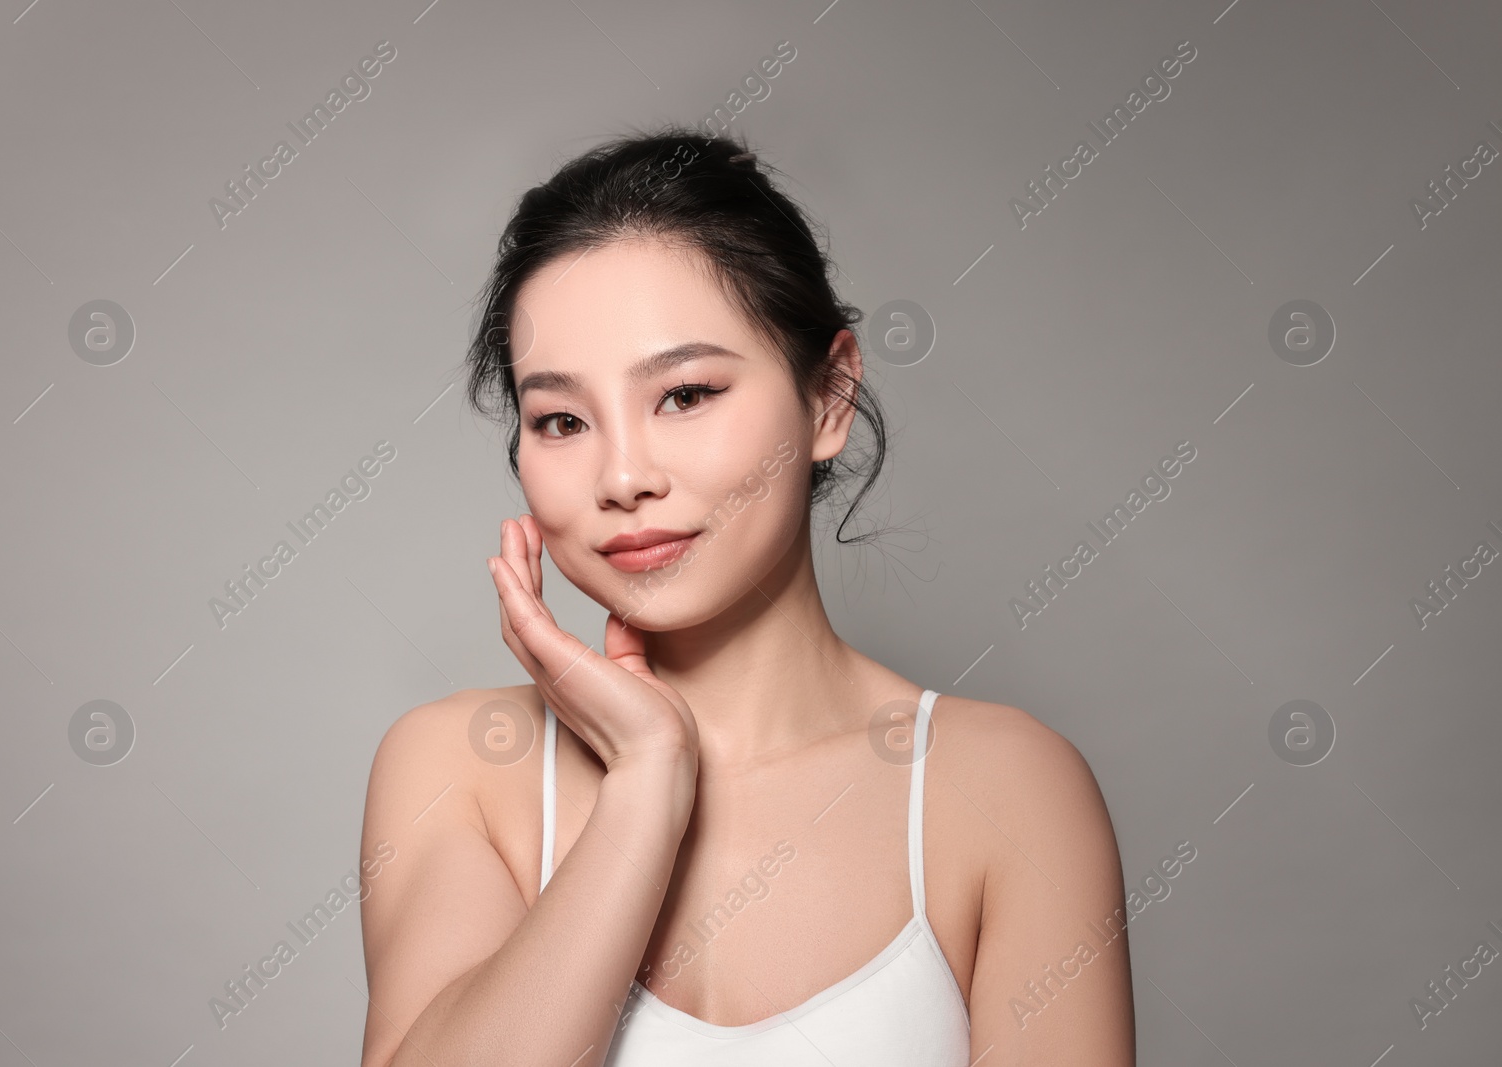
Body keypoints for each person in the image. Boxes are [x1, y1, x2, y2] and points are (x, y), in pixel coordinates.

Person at [357, 126, 1134, 1067]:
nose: (624, 474)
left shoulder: (1007, 791)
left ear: (829, 398)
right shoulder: (458, 769)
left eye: (684, 395)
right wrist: (647, 784)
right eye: (562, 419)